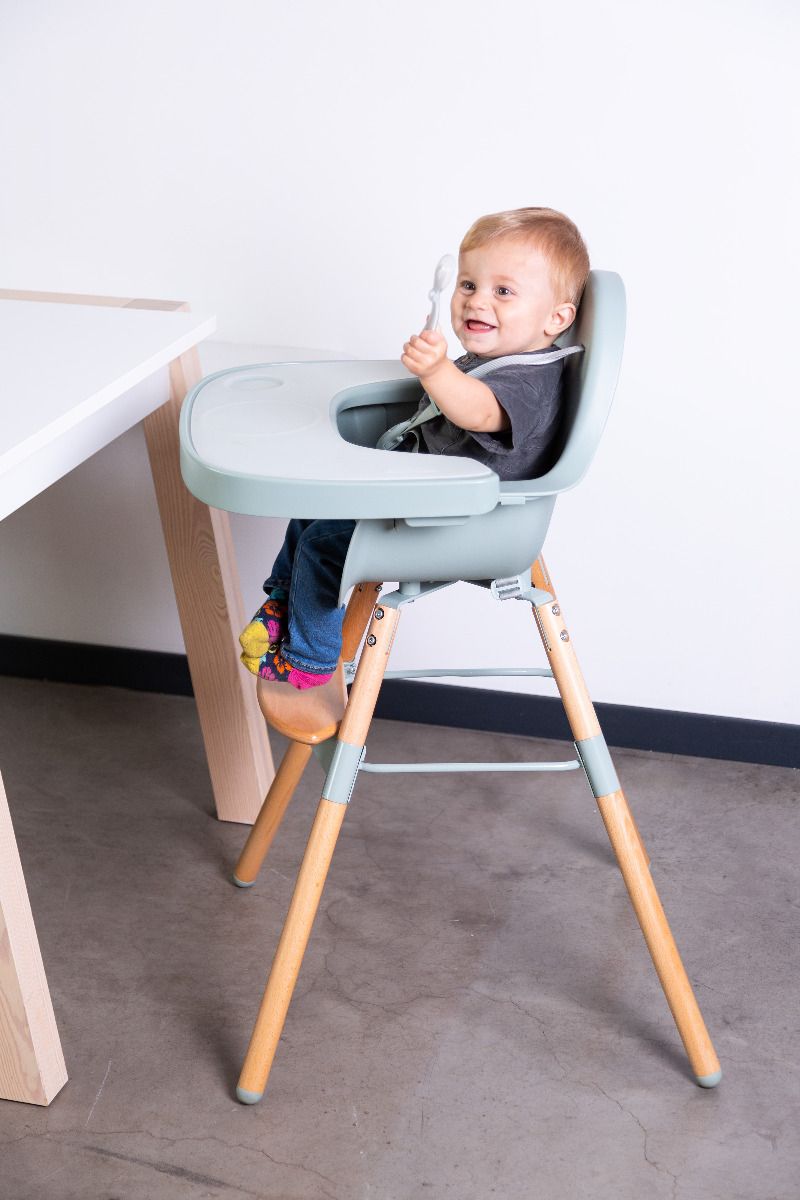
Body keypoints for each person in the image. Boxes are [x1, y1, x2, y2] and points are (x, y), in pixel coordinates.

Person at [239, 207, 590, 689]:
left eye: (503, 291)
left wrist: (437, 372)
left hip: (471, 523)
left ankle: (308, 659)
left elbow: (480, 411)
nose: (476, 301)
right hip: (433, 502)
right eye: (468, 285)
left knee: (324, 545)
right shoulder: (499, 358)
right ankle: (285, 602)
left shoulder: (530, 383)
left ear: (557, 318)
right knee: (314, 508)